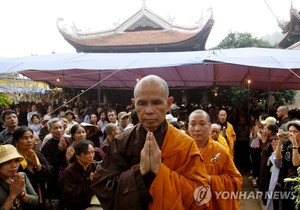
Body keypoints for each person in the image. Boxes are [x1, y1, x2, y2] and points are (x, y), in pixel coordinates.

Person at [91, 75, 210, 210]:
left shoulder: (185, 144)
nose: (149, 111)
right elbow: (103, 187)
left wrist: (160, 171)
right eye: (142, 103)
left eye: (156, 103)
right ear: (134, 104)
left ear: (169, 104)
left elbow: (200, 195)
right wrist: (139, 172)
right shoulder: (121, 142)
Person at [188, 109, 242, 210]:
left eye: (202, 124)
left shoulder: (220, 150)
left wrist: (211, 179)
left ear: (209, 126)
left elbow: (236, 180)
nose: (197, 129)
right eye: (193, 124)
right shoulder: (181, 150)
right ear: (188, 126)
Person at [13, 127, 53, 210]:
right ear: (16, 141)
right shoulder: (14, 158)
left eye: (31, 137)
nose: (29, 140)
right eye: (25, 138)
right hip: (23, 197)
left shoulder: (37, 154)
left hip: (41, 192)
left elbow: (50, 172)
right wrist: (30, 168)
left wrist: (38, 167)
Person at [60, 140, 96, 210]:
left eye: (93, 152)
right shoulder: (69, 172)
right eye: (87, 153)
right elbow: (71, 196)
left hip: (91, 203)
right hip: (75, 206)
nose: (91, 156)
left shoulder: (93, 166)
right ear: (77, 155)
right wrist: (89, 181)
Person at [0, 144, 39, 210]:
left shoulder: (21, 176)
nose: (14, 165)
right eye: (8, 162)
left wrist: (21, 194)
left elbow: (35, 201)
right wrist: (13, 195)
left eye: (16, 161)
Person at [275, 120, 300, 210]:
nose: (292, 134)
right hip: (285, 179)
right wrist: (280, 141)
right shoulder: (286, 144)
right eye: (290, 131)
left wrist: (295, 145)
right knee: (284, 205)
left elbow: (296, 163)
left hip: (297, 182)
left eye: (295, 131)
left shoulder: (294, 145)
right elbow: (278, 157)